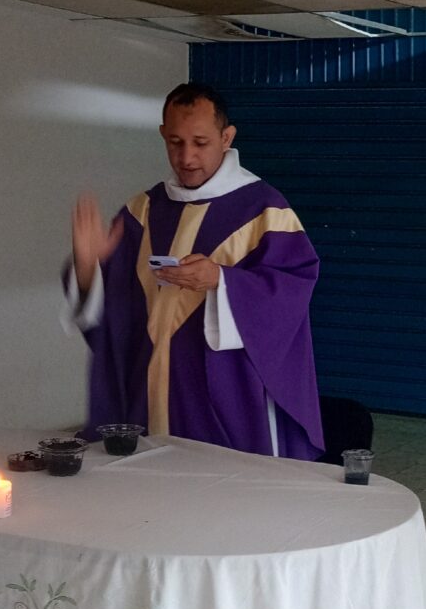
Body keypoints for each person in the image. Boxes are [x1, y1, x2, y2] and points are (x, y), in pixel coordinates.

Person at [64, 82, 324, 460]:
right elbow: (114, 313)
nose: (186, 157)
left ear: (226, 136)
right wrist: (87, 268)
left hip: (230, 397)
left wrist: (221, 281)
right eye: (175, 142)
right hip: (150, 394)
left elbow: (291, 291)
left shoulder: (266, 210)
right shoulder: (144, 211)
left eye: (200, 143)